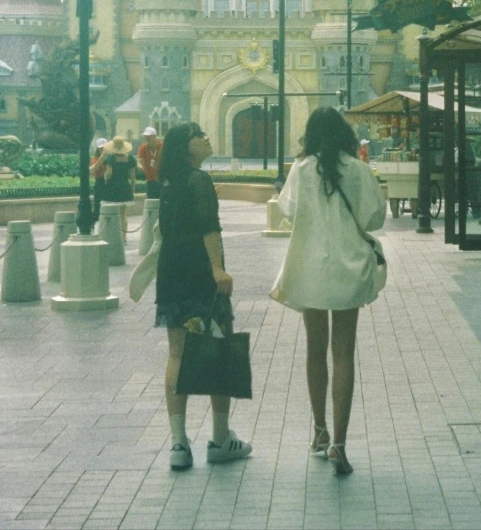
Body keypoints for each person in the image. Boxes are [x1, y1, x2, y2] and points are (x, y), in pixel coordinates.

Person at [270, 107, 386, 475]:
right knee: (344, 353)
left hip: (309, 270)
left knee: (315, 351)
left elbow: (286, 210)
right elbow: (374, 219)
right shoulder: (358, 169)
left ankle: (318, 430)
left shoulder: (301, 171)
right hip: (348, 268)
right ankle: (339, 443)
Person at [157, 122, 252, 471]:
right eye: (200, 135)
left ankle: (179, 443)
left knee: (177, 353)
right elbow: (208, 226)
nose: (207, 138)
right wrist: (217, 269)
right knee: (216, 346)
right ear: (187, 145)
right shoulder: (199, 179)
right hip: (199, 269)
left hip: (171, 269)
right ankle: (221, 437)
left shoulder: (167, 181)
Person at [101, 136, 136, 243]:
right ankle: (124, 236)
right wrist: (132, 191)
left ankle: (112, 235)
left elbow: (108, 174)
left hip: (112, 188)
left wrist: (105, 178)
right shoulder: (130, 159)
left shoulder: (110, 159)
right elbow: (133, 177)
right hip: (125, 188)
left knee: (111, 213)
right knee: (123, 215)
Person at [137, 126, 163, 199]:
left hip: (162, 178)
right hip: (150, 179)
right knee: (151, 200)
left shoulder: (163, 146)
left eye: (149, 136)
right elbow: (139, 161)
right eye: (145, 136)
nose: (146, 138)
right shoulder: (143, 147)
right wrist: (140, 166)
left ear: (154, 136)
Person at [90, 137, 107, 223]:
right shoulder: (95, 159)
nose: (102, 150)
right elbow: (94, 170)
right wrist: (102, 158)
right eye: (100, 149)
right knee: (98, 205)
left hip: (108, 184)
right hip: (100, 182)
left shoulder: (110, 158)